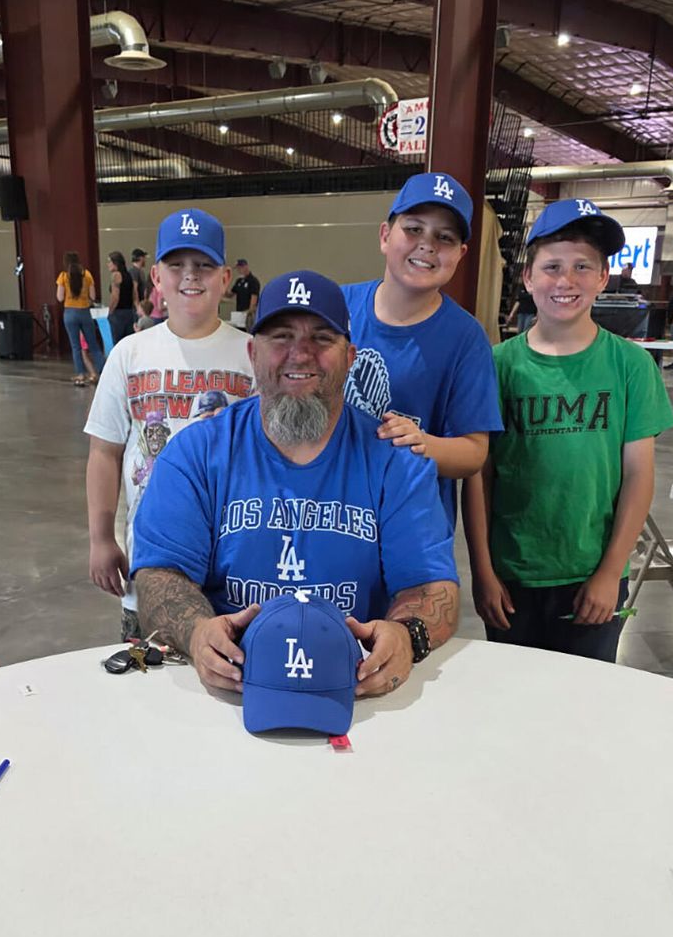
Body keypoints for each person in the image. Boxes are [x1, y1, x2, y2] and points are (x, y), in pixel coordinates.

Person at [130, 271, 460, 698]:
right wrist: (195, 632)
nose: (300, 354)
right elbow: (161, 573)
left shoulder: (397, 462)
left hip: (353, 685)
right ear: (253, 353)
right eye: (281, 337)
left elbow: (430, 585)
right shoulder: (196, 453)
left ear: (350, 357)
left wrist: (406, 635)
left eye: (321, 338)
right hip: (233, 686)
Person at [464, 198, 673, 664]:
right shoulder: (497, 366)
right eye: (552, 267)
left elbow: (638, 475)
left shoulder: (631, 365)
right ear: (528, 277)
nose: (566, 281)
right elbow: (480, 475)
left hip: (593, 574)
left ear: (603, 277)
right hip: (514, 575)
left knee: (585, 698)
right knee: (511, 692)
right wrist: (483, 571)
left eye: (583, 266)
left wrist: (611, 571)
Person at [84, 208, 255, 640]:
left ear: (225, 279)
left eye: (203, 265)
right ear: (157, 277)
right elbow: (105, 452)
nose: (190, 276)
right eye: (176, 265)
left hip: (235, 569)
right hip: (151, 565)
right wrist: (101, 539)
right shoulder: (129, 354)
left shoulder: (253, 354)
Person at [341, 171, 502, 527]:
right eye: (414, 229)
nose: (427, 245)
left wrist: (422, 443)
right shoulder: (337, 308)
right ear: (385, 236)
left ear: (460, 254)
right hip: (331, 516)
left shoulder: (466, 339)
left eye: (444, 237)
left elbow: (474, 451)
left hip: (412, 526)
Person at [56, 251, 105, 386]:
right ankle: (103, 371)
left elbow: (59, 297)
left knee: (76, 346)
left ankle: (81, 374)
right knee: (93, 344)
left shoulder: (63, 276)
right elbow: (93, 296)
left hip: (69, 313)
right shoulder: (87, 275)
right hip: (84, 312)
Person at [107, 251, 138, 346]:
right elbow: (134, 294)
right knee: (128, 342)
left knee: (117, 343)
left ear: (115, 263)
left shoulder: (116, 275)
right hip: (129, 311)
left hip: (118, 313)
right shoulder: (129, 275)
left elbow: (115, 297)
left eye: (109, 262)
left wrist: (110, 311)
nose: (108, 264)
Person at [230, 258, 261, 329]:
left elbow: (254, 300)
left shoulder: (253, 281)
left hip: (248, 315)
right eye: (237, 268)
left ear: (245, 266)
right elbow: (230, 294)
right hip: (239, 313)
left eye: (240, 268)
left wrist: (249, 311)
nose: (238, 270)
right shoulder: (239, 281)